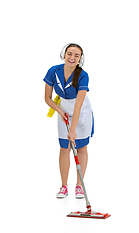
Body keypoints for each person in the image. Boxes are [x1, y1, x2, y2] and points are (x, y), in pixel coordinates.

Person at [44, 43, 94, 199]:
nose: (72, 57)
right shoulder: (53, 71)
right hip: (63, 109)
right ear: (63, 54)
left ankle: (79, 185)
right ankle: (64, 186)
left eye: (76, 55)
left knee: (81, 147)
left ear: (80, 59)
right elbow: (47, 98)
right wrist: (60, 111)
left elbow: (78, 105)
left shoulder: (83, 75)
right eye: (69, 53)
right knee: (64, 147)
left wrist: (73, 129)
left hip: (81, 112)